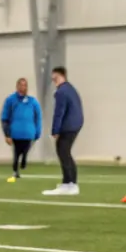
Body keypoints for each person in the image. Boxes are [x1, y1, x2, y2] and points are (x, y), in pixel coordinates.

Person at [43, 67, 84, 197]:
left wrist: (55, 130)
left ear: (61, 76)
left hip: (69, 125)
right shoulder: (70, 88)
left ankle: (70, 184)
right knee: (65, 153)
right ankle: (68, 183)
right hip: (75, 124)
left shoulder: (61, 91)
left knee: (64, 153)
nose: (53, 79)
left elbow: (59, 112)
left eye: (55, 77)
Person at [1, 78, 42, 182]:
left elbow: (38, 116)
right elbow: (5, 117)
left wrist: (38, 131)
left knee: (25, 150)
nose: (23, 87)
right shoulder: (10, 100)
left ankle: (24, 159)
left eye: (25, 85)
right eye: (21, 85)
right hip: (15, 132)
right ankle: (15, 171)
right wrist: (7, 134)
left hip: (29, 132)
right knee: (16, 152)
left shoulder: (32, 101)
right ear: (17, 86)